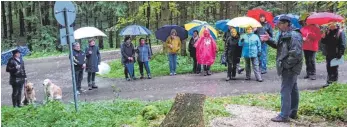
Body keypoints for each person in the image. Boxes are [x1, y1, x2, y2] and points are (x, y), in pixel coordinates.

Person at [261, 16, 303, 122]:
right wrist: (268, 40)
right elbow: (278, 45)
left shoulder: (294, 35)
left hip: (290, 67)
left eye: (279, 24)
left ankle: (284, 116)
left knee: (285, 89)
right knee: (293, 89)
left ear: (286, 24)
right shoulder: (284, 34)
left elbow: (296, 53)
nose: (277, 26)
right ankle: (292, 112)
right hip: (288, 66)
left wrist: (286, 65)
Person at [320, 23, 346, 87]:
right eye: (329, 25)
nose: (330, 26)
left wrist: (340, 53)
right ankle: (329, 82)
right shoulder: (328, 32)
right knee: (328, 67)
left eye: (332, 25)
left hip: (336, 53)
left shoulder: (340, 32)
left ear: (335, 25)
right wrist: (323, 37)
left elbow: (343, 44)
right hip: (329, 53)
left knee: (334, 68)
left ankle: (333, 83)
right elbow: (324, 42)